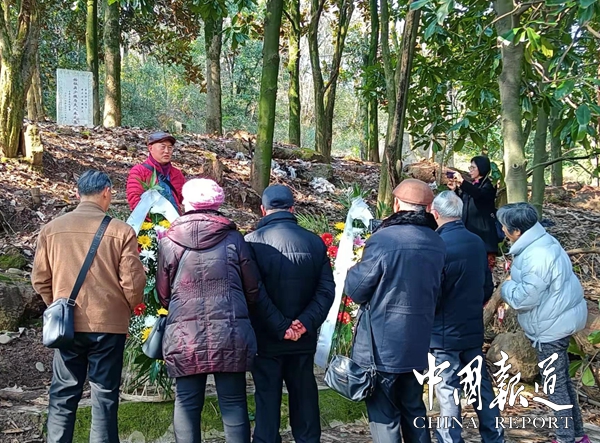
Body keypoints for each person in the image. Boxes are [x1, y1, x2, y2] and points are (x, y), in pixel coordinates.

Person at [156, 178, 297, 443]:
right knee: (233, 401)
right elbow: (252, 288)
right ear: (217, 202)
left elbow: (163, 294)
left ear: (187, 203)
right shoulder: (233, 238)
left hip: (185, 335)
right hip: (230, 332)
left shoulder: (170, 241)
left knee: (186, 401)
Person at [31, 170, 146, 443]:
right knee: (104, 394)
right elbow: (132, 283)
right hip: (109, 326)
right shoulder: (121, 231)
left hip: (66, 326)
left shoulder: (51, 229)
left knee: (63, 393)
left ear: (77, 193)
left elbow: (40, 280)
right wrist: (127, 310)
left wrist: (58, 307)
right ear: (107, 192)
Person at [344, 179, 446, 443]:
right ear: (428, 209)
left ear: (397, 205)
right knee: (413, 408)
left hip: (382, 345)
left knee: (384, 415)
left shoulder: (384, 239)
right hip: (418, 341)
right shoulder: (437, 242)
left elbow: (357, 288)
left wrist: (350, 270)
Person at [244, 184, 335, 443]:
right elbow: (326, 290)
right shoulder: (314, 241)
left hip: (266, 338)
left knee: (266, 399)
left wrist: (280, 325)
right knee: (304, 396)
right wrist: (304, 323)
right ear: (292, 209)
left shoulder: (251, 242)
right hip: (302, 339)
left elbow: (254, 292)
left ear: (263, 209)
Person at [499, 202, 590, 443]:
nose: (502, 230)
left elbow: (523, 299)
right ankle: (577, 435)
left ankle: (565, 438)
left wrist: (506, 287)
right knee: (562, 382)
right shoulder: (541, 241)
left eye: (504, 226)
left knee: (555, 386)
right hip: (558, 320)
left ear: (517, 231)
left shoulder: (536, 255)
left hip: (551, 326)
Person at [430, 191, 503, 443]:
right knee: (480, 386)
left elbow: (434, 293)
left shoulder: (438, 245)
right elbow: (486, 286)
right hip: (471, 327)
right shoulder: (476, 242)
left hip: (443, 332)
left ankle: (450, 438)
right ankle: (494, 436)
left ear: (435, 213)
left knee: (448, 389)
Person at [448, 155, 498, 269]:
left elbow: (478, 194)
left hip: (483, 232)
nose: (470, 170)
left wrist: (462, 182)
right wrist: (455, 190)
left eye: (473, 168)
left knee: (483, 265)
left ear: (481, 168)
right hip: (468, 229)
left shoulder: (489, 185)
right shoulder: (473, 184)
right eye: (470, 167)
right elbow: (464, 201)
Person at [126, 131, 185, 213]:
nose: (167, 151)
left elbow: (184, 199)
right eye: (162, 147)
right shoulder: (139, 171)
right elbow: (134, 200)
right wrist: (155, 217)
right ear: (150, 148)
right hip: (149, 219)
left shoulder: (177, 174)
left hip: (175, 219)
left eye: (170, 147)